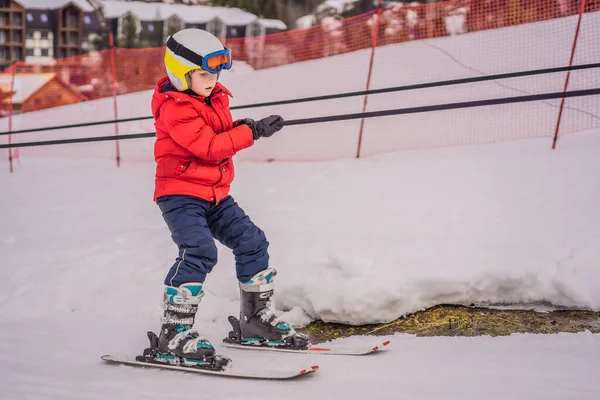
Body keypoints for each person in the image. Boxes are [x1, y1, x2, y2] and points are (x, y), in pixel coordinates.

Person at [150, 28, 309, 365]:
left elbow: (220, 133)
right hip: (180, 195)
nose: (213, 79)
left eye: (217, 71)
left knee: (252, 241)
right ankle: (173, 333)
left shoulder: (214, 97)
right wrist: (249, 133)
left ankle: (254, 323)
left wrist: (250, 125)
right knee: (199, 251)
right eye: (204, 73)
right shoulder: (174, 107)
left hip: (215, 194)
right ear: (180, 73)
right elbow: (208, 147)